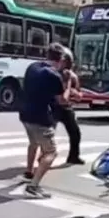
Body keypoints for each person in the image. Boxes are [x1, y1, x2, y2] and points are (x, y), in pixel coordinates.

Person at [18, 43, 70, 197]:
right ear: (60, 59)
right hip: (40, 118)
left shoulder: (32, 67)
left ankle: (29, 172)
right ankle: (33, 187)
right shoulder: (54, 76)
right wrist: (68, 85)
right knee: (51, 152)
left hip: (24, 114)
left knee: (33, 143)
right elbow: (62, 101)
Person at [55, 49, 84, 165]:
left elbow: (79, 94)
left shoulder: (72, 76)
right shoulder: (54, 73)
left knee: (75, 133)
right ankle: (43, 156)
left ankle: (74, 156)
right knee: (47, 134)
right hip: (54, 106)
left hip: (66, 108)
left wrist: (74, 93)